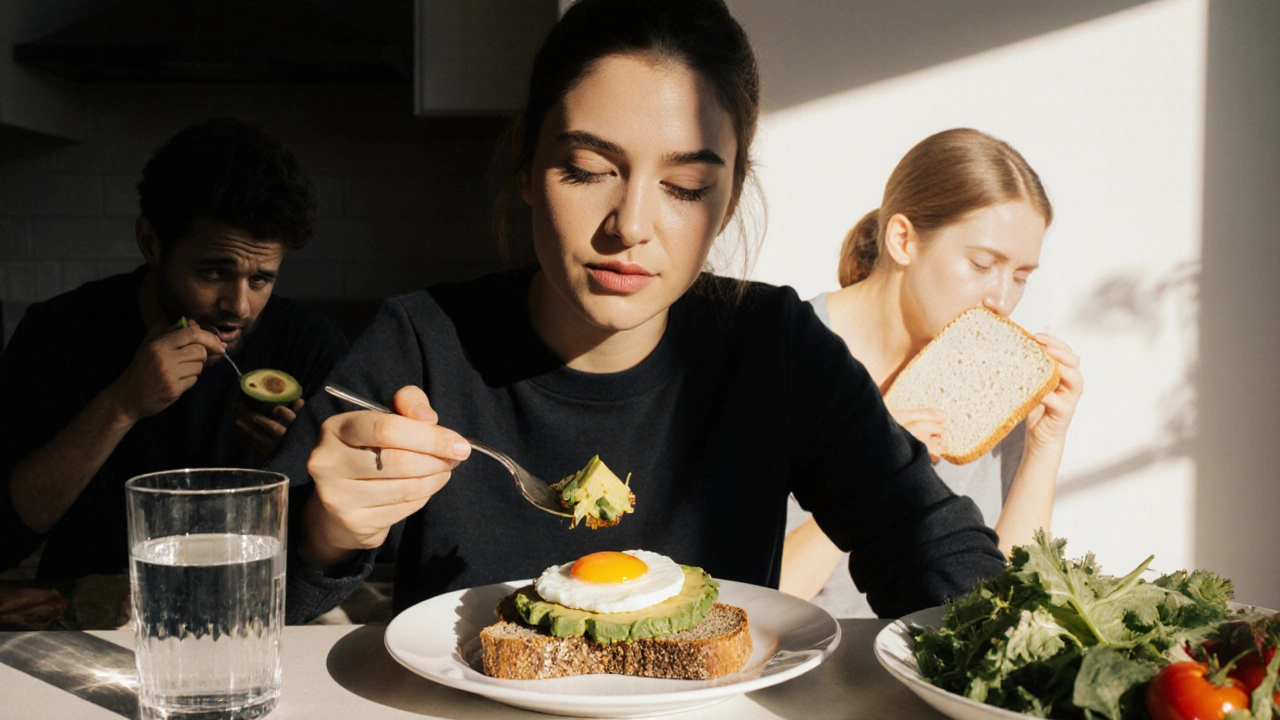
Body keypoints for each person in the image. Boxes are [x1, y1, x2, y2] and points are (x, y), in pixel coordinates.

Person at [269, 0, 1006, 625]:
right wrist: (325, 533)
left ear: (730, 199)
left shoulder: (772, 344)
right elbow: (241, 587)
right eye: (588, 171)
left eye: (684, 186)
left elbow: (927, 539)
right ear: (526, 163)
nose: (630, 225)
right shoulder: (422, 342)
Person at [0, 118, 348, 581]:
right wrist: (121, 404)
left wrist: (303, 470)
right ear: (151, 243)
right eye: (212, 273)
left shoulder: (307, 342)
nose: (239, 306)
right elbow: (5, 536)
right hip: (89, 625)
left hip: (251, 616)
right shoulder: (59, 333)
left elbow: (333, 560)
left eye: (261, 278)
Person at [778, 128, 1084, 617]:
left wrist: (1044, 449)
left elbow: (1002, 611)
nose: (1003, 301)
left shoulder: (989, 388)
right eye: (983, 264)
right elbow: (740, 604)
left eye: (1022, 276)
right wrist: (874, 471)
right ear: (903, 239)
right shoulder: (786, 355)